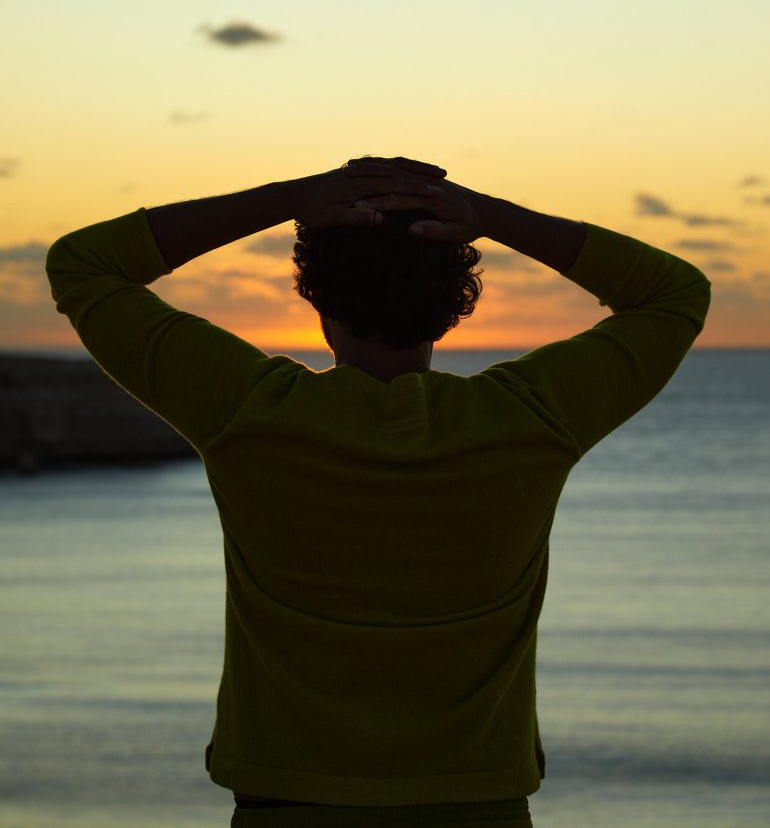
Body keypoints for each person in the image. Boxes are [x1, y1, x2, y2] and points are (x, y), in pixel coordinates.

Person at [46, 156, 711, 827]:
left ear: (317, 298)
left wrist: (289, 198)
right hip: (476, 801)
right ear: (454, 305)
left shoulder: (249, 411)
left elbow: (85, 263)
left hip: (288, 799)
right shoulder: (529, 419)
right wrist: (486, 214)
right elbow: (673, 293)